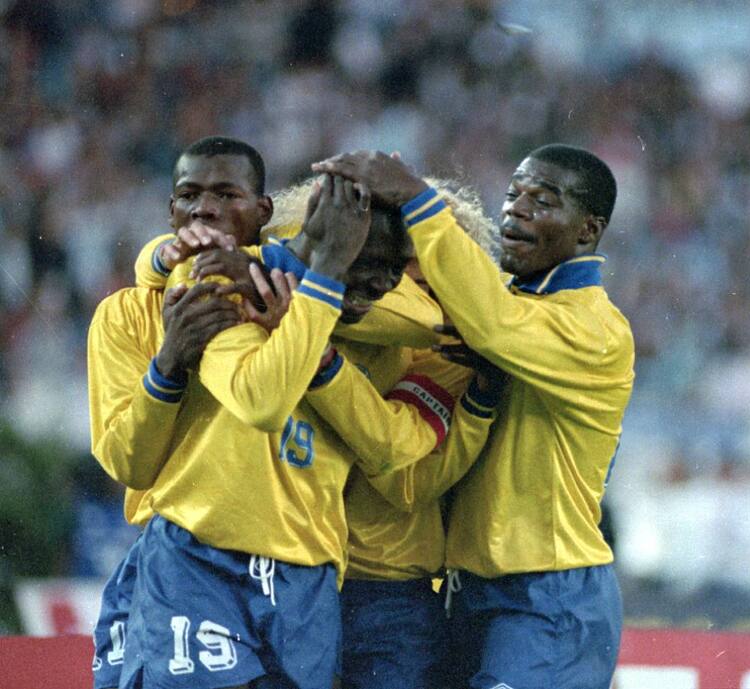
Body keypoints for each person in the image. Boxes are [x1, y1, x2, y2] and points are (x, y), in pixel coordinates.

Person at [89, 138, 440, 688]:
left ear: (264, 212)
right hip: (194, 552)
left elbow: (425, 316)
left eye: (226, 194)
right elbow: (129, 462)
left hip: (308, 567)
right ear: (171, 211)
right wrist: (167, 367)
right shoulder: (144, 309)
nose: (205, 210)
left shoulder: (336, 304)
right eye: (189, 196)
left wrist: (289, 265)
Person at [312, 145, 635, 689]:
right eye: (513, 194)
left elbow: (492, 325)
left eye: (543, 201)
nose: (517, 209)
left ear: (588, 230)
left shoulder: (594, 329)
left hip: (549, 594)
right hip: (470, 594)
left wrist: (416, 197)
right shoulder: (500, 314)